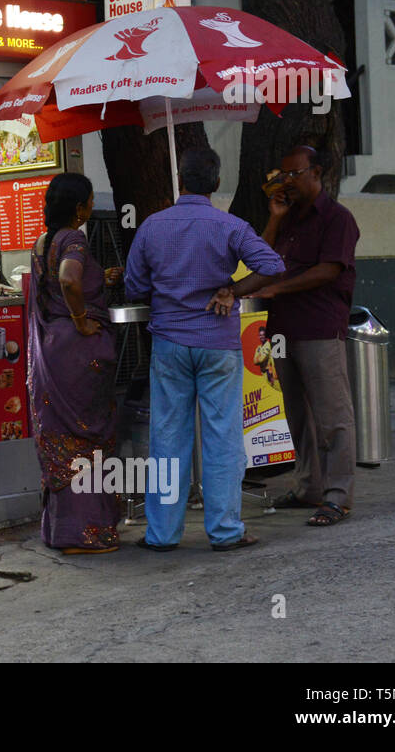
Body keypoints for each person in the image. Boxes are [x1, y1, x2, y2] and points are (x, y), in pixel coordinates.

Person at [124, 147, 284, 551]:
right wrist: (232, 289)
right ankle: (226, 531)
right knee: (223, 436)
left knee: (167, 438)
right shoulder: (230, 225)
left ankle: (161, 534)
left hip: (169, 344)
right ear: (215, 183)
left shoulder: (152, 227)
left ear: (180, 180)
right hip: (218, 344)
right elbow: (272, 265)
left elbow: (134, 287)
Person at [253, 144, 361, 527]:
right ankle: (309, 486)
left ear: (316, 172)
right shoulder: (288, 219)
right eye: (282, 175)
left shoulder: (337, 218)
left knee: (333, 416)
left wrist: (277, 290)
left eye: (294, 174)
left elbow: (330, 270)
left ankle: (337, 496)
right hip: (282, 331)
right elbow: (260, 259)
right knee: (298, 416)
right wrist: (275, 218)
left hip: (318, 328)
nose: (287, 182)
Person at [26, 172, 125, 554]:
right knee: (88, 438)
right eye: (88, 202)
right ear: (80, 208)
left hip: (52, 349)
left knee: (62, 437)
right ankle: (89, 534)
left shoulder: (41, 241)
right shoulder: (75, 238)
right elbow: (68, 280)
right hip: (78, 349)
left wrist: (101, 279)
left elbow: (58, 282)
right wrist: (82, 319)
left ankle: (61, 531)